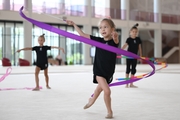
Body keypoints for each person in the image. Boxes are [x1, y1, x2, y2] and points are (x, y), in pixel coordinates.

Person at [66, 18, 119, 119]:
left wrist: (115, 37)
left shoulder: (114, 42)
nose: (103, 29)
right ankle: (109, 111)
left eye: (106, 27)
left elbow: (116, 41)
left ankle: (91, 100)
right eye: (100, 28)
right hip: (99, 71)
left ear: (112, 29)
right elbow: (82, 34)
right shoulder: (98, 41)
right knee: (107, 91)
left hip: (109, 72)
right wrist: (74, 24)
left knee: (99, 89)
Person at [121, 23, 142, 88]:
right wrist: (120, 50)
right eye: (133, 32)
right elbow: (125, 45)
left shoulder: (138, 39)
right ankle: (126, 83)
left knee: (133, 69)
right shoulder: (129, 39)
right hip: (129, 56)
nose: (134, 33)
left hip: (135, 56)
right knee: (128, 69)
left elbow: (139, 48)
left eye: (136, 32)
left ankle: (131, 83)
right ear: (130, 32)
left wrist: (140, 56)